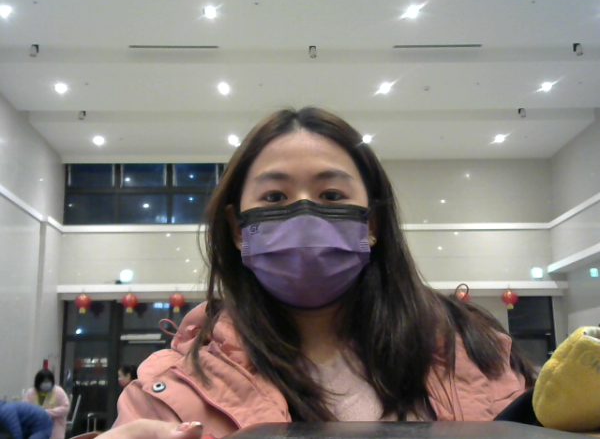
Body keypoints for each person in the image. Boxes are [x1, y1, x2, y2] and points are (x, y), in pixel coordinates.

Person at [104, 107, 536, 439]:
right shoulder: (171, 392)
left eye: (331, 195)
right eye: (274, 197)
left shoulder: (476, 352)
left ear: (371, 223)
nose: (305, 216)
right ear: (237, 229)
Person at [23, 370, 69, 439]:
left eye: (48, 382)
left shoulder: (58, 391)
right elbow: (24, 409)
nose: (47, 384)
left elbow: (65, 408)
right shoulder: (31, 393)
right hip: (36, 427)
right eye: (44, 382)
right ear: (38, 382)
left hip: (55, 427)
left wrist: (47, 412)